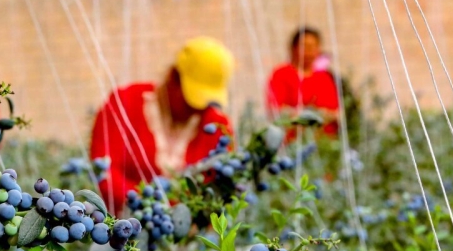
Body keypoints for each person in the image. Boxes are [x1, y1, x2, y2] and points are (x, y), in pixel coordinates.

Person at [90, 37, 234, 213]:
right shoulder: (124, 104)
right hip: (120, 226)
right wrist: (152, 207)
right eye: (192, 102)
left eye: (205, 104)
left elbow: (216, 191)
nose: (198, 110)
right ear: (173, 78)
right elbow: (103, 171)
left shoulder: (218, 127)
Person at [266, 27, 339, 136]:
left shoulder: (324, 77)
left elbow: (336, 113)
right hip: (292, 141)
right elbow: (276, 110)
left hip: (324, 141)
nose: (309, 51)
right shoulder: (281, 74)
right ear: (293, 48)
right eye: (305, 46)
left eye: (313, 47)